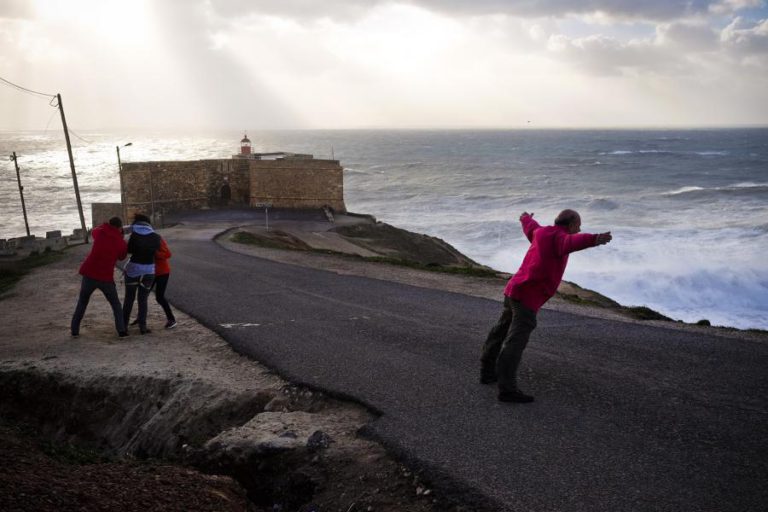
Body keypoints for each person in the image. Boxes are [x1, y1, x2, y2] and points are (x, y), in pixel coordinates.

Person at [480, 209, 612, 403]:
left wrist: (525, 217)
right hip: (527, 297)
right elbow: (573, 241)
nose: (579, 229)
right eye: (578, 225)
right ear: (571, 225)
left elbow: (530, 227)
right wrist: (595, 239)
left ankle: (487, 373)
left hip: (513, 290)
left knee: (500, 331)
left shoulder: (541, 232)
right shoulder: (560, 238)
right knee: (515, 342)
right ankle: (507, 389)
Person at [71, 217, 128, 338]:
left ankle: (74, 330)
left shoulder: (100, 232)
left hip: (89, 274)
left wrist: (105, 226)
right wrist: (121, 237)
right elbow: (122, 257)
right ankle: (121, 331)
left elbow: (94, 231)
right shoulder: (120, 242)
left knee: (82, 302)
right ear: (120, 228)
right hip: (105, 277)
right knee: (115, 305)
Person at [122, 213, 161, 334]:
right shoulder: (156, 236)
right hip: (149, 271)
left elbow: (129, 250)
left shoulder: (134, 235)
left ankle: (123, 326)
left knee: (129, 299)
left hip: (133, 270)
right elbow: (157, 251)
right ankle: (143, 327)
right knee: (143, 300)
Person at [130, 236, 177, 329]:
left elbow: (167, 254)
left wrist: (154, 252)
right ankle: (140, 318)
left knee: (159, 297)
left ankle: (171, 319)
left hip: (162, 273)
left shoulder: (157, 239)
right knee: (143, 296)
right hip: (149, 273)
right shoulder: (140, 239)